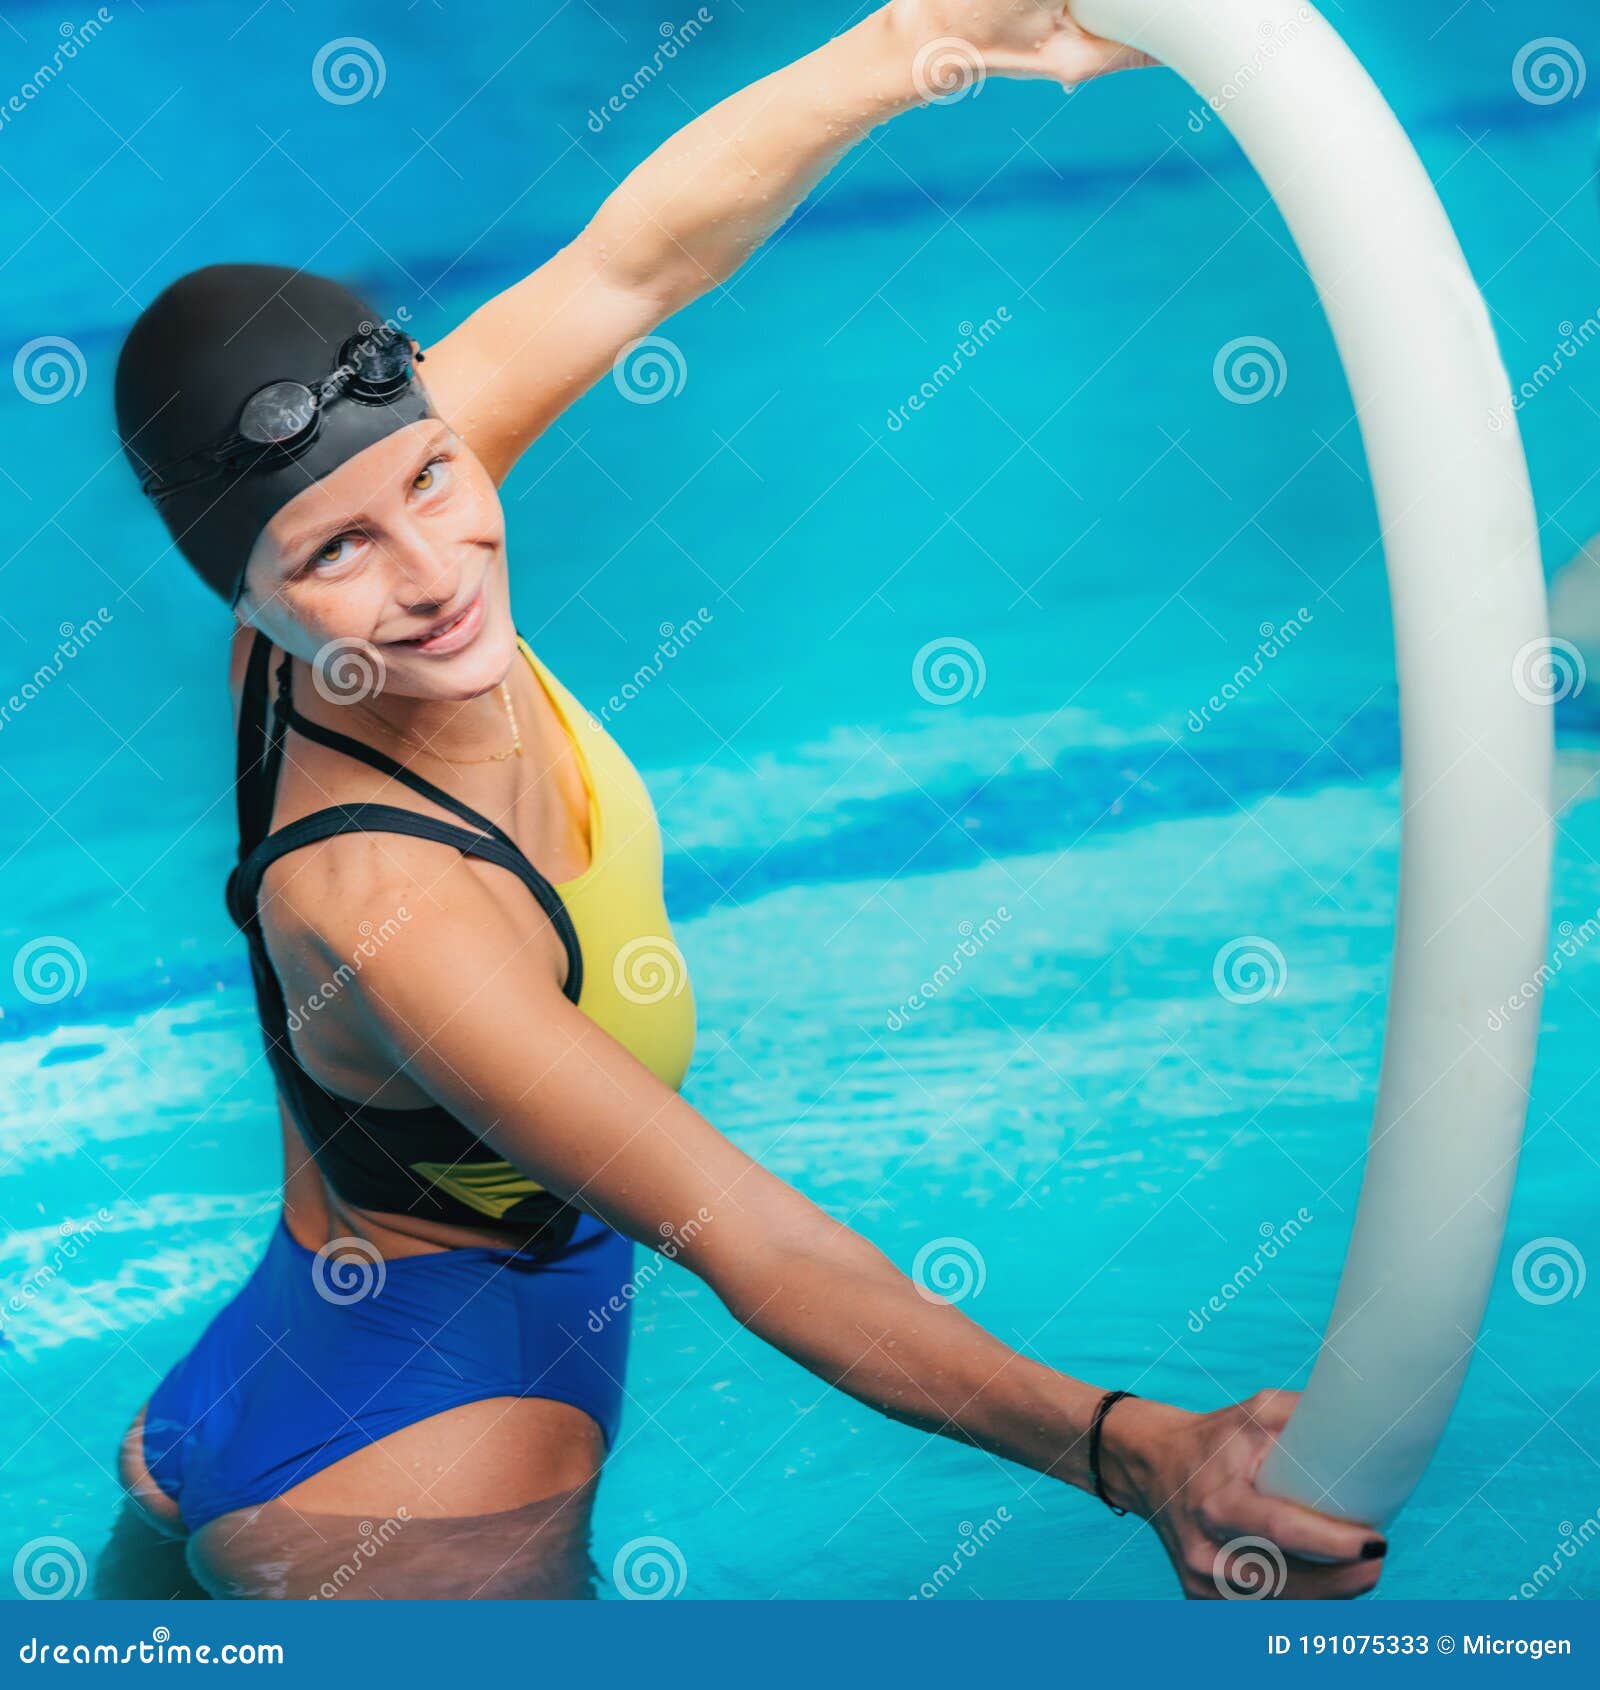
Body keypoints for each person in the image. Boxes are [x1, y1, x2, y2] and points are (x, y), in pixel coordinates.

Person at [107, 1, 1386, 1600]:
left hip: (285, 1333)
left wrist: (924, 36)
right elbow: (751, 1241)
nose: (436, 576)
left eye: (433, 475)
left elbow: (632, 261)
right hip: (419, 1483)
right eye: (338, 554)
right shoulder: (391, 917)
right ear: (251, 594)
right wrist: (1131, 1448)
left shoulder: (367, 501)